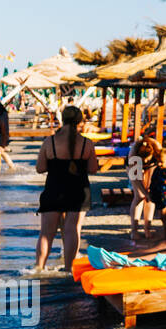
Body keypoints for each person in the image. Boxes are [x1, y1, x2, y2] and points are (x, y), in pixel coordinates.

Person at [31, 106, 99, 273]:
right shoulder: (86, 143)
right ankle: (69, 269)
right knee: (72, 230)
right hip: (78, 189)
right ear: (80, 121)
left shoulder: (50, 142)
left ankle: (39, 268)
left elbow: (40, 168)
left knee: (47, 232)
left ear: (62, 118)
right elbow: (93, 169)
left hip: (54, 188)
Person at [126, 138, 160, 241]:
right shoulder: (133, 155)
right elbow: (136, 179)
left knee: (150, 197)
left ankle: (147, 229)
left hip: (152, 165)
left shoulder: (157, 149)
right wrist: (145, 192)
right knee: (139, 196)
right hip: (133, 165)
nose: (145, 161)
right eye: (143, 160)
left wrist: (149, 193)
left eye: (147, 159)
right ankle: (134, 231)